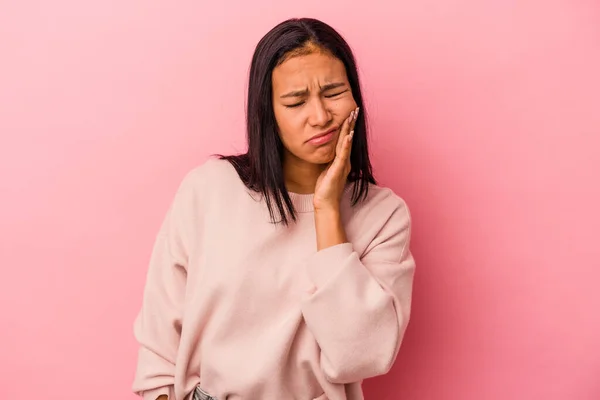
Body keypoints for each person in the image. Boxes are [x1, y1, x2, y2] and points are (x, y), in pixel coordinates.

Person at [132, 17, 416, 400]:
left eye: (334, 92)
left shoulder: (383, 215)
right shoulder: (210, 189)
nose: (320, 116)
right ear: (268, 112)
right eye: (296, 101)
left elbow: (361, 355)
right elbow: (159, 339)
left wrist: (327, 208)